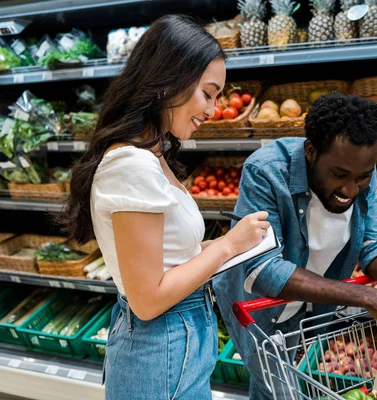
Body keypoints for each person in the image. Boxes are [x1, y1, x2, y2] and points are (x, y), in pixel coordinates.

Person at [61, 15, 270, 400]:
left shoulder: (150, 155)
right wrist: (226, 245)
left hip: (174, 342)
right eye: (208, 93)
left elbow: (170, 260)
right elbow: (148, 300)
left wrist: (237, 244)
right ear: (170, 82)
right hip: (163, 349)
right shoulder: (132, 164)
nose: (213, 108)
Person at [213, 92, 377, 399]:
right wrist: (366, 296)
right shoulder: (266, 172)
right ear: (311, 151)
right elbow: (264, 270)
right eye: (339, 175)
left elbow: (372, 242)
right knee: (279, 389)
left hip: (309, 303)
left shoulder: (360, 169)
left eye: (363, 177)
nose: (351, 189)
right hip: (256, 308)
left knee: (273, 382)